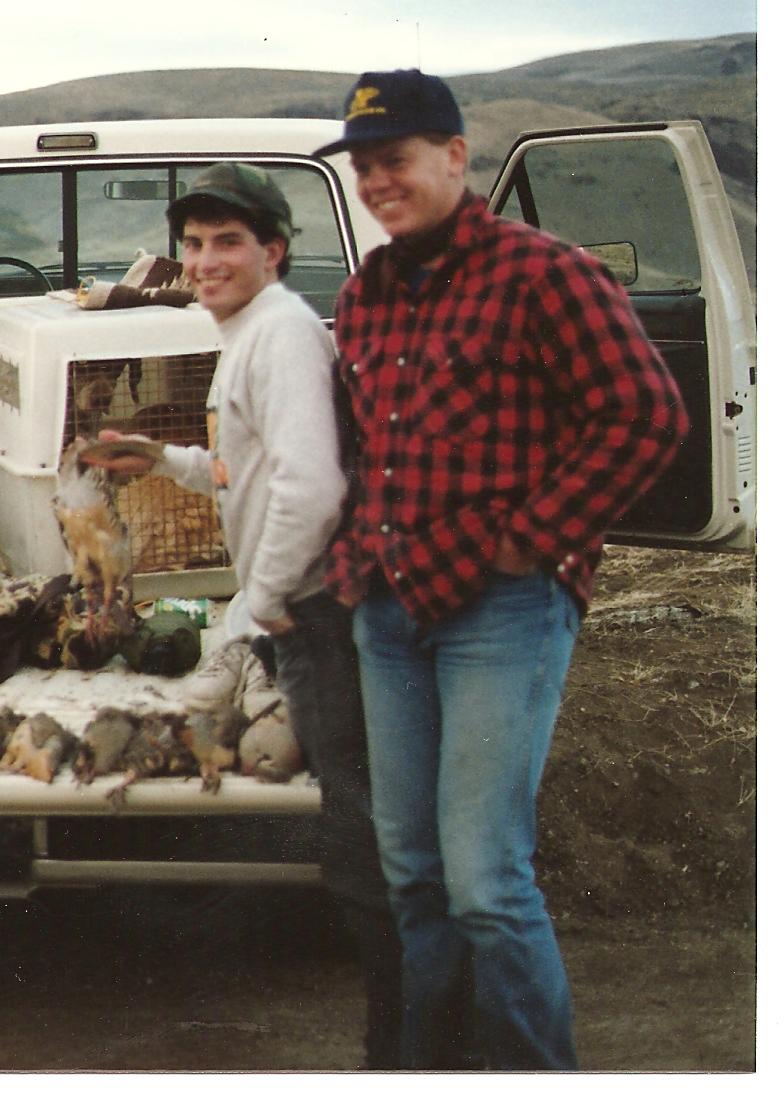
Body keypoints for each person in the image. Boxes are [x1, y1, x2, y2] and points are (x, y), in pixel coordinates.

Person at [315, 70, 687, 1069]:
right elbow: (367, 446)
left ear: (453, 155)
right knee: (414, 875)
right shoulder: (362, 296)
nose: (378, 180)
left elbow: (647, 415)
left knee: (485, 878)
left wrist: (536, 534)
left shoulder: (546, 273)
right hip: (389, 606)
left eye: (394, 159)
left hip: (503, 607)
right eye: (363, 166)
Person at [82, 162, 403, 1069]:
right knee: (354, 827)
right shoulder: (251, 332)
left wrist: (255, 610)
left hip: (317, 618)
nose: (205, 259)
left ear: (275, 251)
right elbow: (252, 465)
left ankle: (412, 1058)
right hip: (300, 612)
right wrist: (170, 460)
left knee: (359, 837)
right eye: (192, 244)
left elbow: (313, 485)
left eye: (229, 242)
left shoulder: (283, 336)